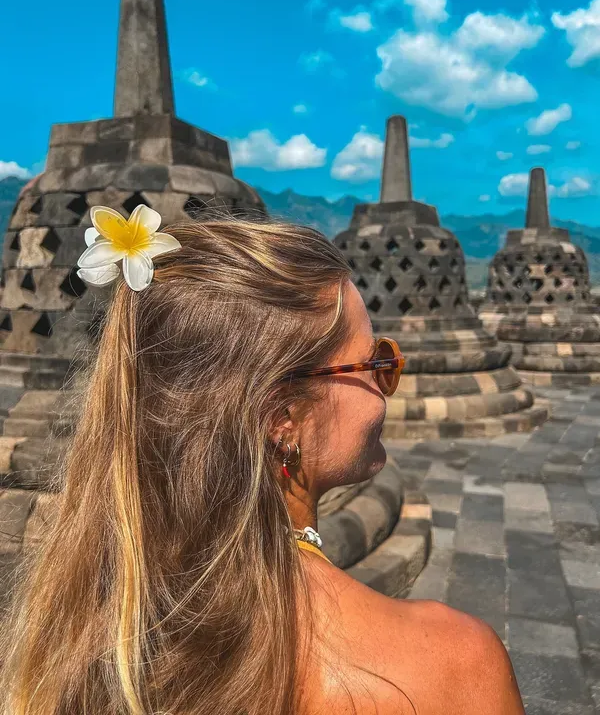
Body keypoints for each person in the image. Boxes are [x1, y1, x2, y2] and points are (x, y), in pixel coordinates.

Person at [0, 204, 525, 715]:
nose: (388, 383)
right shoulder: (453, 665)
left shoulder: (67, 645)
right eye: (375, 362)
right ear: (282, 419)